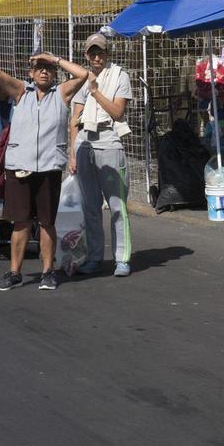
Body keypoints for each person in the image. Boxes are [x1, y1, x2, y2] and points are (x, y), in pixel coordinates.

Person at [0, 36, 88, 292]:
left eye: (48, 68)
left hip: (49, 168)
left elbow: (82, 74)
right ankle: (14, 273)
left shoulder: (61, 94)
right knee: (21, 223)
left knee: (47, 223)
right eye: (39, 68)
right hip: (20, 168)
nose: (44, 72)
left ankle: (48, 272)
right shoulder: (20, 92)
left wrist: (55, 58)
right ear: (30, 73)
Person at [70, 33, 134, 277]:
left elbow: (118, 112)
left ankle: (122, 258)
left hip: (109, 142)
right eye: (92, 52)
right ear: (86, 55)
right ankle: (95, 257)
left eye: (101, 52)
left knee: (117, 205)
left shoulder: (120, 76)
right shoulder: (82, 79)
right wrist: (72, 153)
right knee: (90, 206)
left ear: (107, 54)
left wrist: (95, 93)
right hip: (84, 143)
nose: (96, 57)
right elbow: (74, 119)